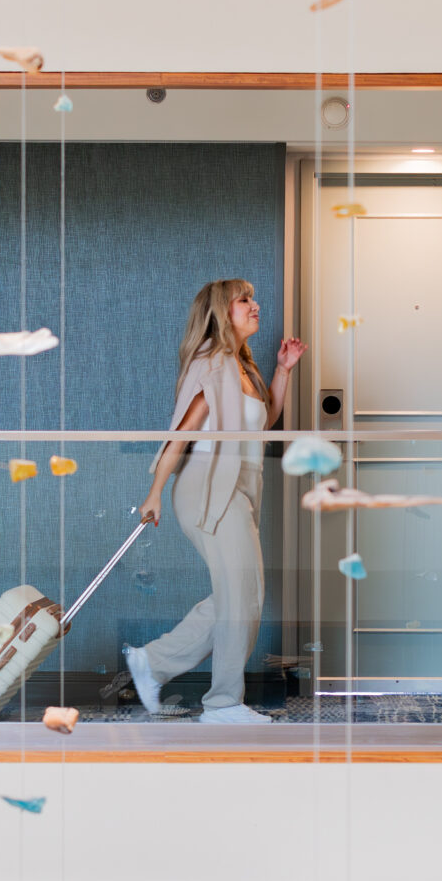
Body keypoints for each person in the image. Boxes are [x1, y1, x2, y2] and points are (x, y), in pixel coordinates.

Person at [126, 279, 305, 724]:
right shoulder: (211, 362)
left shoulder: (242, 368)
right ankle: (222, 704)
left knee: (240, 593)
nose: (255, 305)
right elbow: (182, 432)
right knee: (242, 593)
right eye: (244, 300)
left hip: (239, 484)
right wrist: (155, 494)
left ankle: (153, 662)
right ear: (221, 312)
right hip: (208, 483)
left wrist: (283, 371)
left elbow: (262, 424)